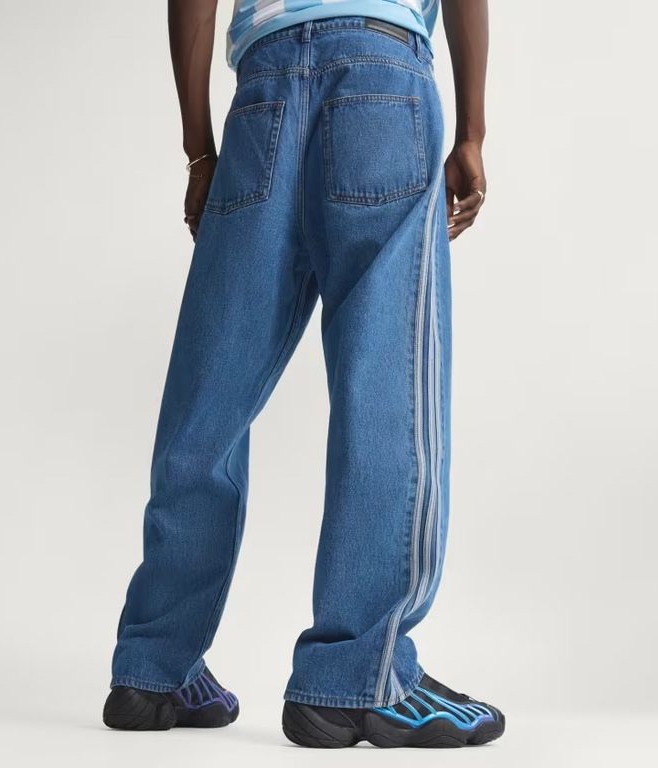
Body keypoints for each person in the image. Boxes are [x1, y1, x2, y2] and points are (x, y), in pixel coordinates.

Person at [102, 0, 504, 748]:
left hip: (264, 89)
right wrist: (473, 132)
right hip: (382, 77)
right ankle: (358, 680)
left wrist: (199, 150)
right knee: (387, 387)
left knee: (210, 392)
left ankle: (152, 668)